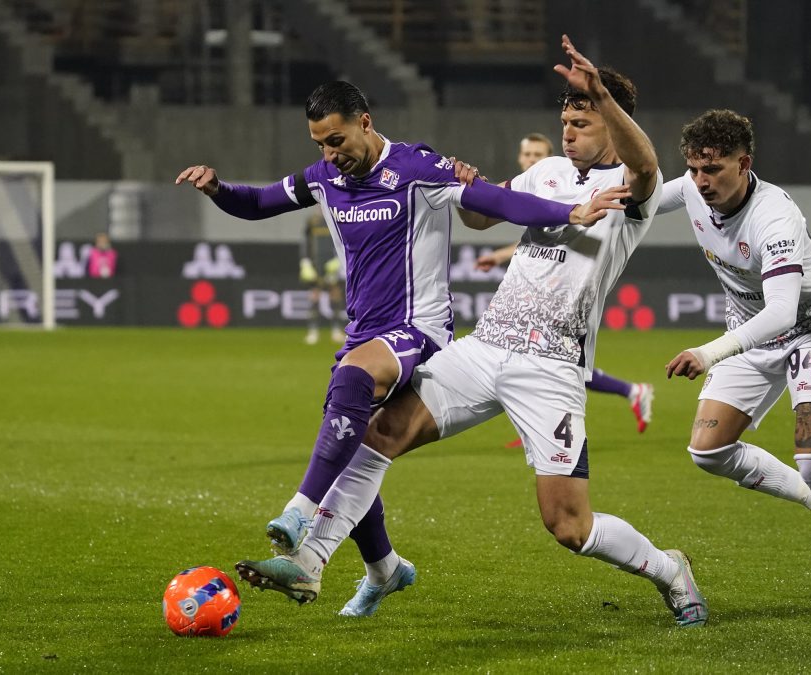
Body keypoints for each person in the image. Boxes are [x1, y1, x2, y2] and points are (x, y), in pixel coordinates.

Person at [238, 36, 708, 628]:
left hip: (553, 366)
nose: (568, 131)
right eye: (565, 119)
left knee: (568, 525)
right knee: (378, 434)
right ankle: (310, 559)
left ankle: (669, 570)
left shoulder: (630, 189)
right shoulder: (545, 174)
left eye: (582, 121)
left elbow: (645, 166)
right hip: (486, 349)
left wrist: (604, 97)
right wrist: (465, 183)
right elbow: (481, 214)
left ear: (613, 123)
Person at [176, 79, 616, 615]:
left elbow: (495, 200)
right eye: (319, 144)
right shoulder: (324, 178)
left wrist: (567, 213)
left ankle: (299, 512)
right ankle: (384, 568)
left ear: (365, 122)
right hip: (365, 334)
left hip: (419, 330)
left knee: (353, 388)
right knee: (354, 446)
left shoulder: (416, 168)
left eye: (336, 140)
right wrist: (218, 188)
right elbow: (259, 202)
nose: (329, 155)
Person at [660, 109, 811, 608]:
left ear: (744, 163)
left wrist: (708, 351)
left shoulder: (774, 215)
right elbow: (634, 204)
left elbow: (783, 310)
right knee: (707, 451)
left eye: (713, 170)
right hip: (750, 336)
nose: (701, 182)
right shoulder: (690, 188)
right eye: (694, 170)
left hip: (809, 331)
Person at [477, 132, 655, 436]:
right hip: (520, 318)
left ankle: (630, 391)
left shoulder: (582, 183)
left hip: (563, 314)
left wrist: (499, 255)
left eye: (537, 154)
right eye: (527, 155)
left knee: (557, 367)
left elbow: (564, 231)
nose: (532, 160)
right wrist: (464, 189)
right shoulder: (536, 181)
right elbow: (519, 227)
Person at [300, 211, 346, 344]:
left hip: (332, 264)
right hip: (316, 263)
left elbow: (342, 241)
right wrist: (305, 261)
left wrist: (338, 259)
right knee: (315, 296)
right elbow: (306, 241)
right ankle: (313, 331)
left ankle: (336, 331)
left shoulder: (336, 218)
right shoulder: (312, 220)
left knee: (335, 295)